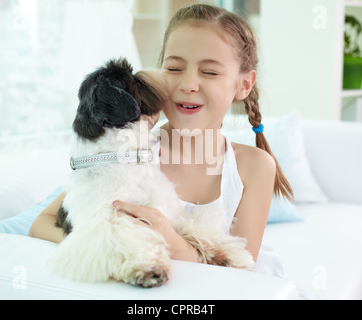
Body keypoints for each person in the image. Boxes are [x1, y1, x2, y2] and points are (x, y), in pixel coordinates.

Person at [29, 4, 293, 267]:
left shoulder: (255, 167)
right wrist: (107, 244)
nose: (188, 84)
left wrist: (171, 242)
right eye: (174, 69)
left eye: (210, 72)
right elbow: (41, 224)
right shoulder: (129, 153)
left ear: (243, 85)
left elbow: (239, 271)